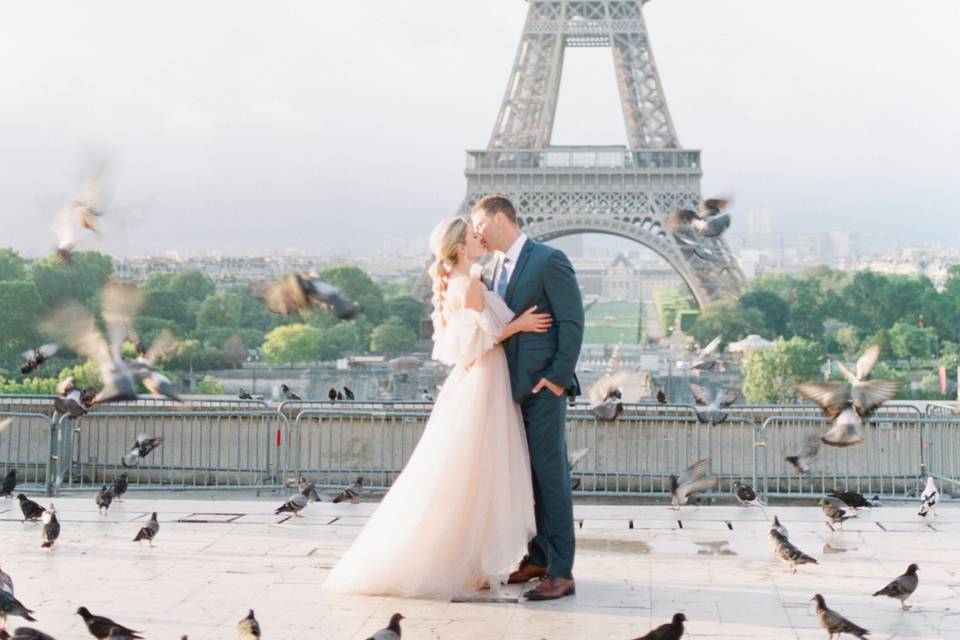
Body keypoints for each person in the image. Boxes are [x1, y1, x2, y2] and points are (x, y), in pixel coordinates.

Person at [323, 216, 551, 599]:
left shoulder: (462, 282)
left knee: (468, 479)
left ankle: (467, 564)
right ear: (461, 247)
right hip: (484, 382)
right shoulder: (471, 284)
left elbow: (457, 345)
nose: (481, 238)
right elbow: (475, 345)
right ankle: (466, 565)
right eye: (474, 236)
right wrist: (521, 324)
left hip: (479, 384)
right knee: (477, 479)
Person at [470, 195, 584, 601]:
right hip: (509, 389)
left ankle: (562, 571)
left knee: (551, 478)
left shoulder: (548, 259)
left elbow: (572, 323)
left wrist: (557, 379)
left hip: (541, 389)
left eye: (479, 224)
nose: (476, 232)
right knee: (528, 478)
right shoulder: (494, 267)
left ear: (500, 219)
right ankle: (538, 556)